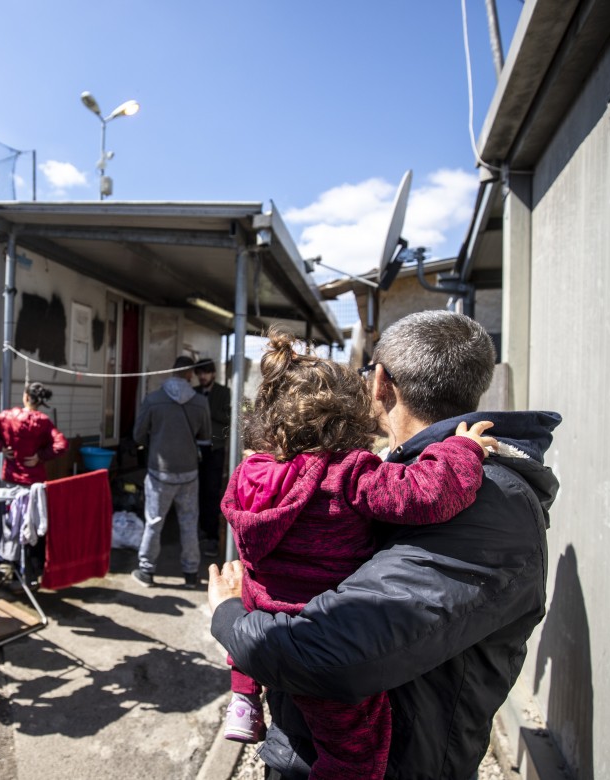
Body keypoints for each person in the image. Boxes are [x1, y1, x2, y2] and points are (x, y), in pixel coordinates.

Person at [208, 310, 561, 780]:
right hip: (308, 741)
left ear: (380, 383)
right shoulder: (389, 472)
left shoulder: (490, 502)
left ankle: (244, 700)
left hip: (398, 762)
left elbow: (328, 655)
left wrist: (229, 614)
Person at [131, 355, 212, 589]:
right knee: (189, 522)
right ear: (190, 375)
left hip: (159, 473)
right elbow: (205, 438)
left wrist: (156, 439)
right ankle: (190, 574)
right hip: (189, 472)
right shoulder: (200, 402)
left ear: (172, 372)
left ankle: (146, 571)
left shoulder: (153, 399)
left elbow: (138, 435)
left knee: (154, 521)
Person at [0, 381, 68, 486]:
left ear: (26, 397)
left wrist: (1, 447)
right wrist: (40, 456)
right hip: (34, 479)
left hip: (10, 477)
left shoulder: (7, 416)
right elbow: (62, 445)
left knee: (9, 503)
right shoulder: (44, 421)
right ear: (40, 402)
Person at [194, 359, 231, 557]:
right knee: (196, 490)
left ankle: (212, 534)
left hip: (215, 447)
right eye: (200, 373)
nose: (202, 377)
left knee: (212, 490)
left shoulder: (223, 392)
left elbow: (228, 418)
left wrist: (205, 407)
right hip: (195, 447)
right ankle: (200, 529)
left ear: (213, 374)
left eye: (206, 373)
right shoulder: (193, 391)